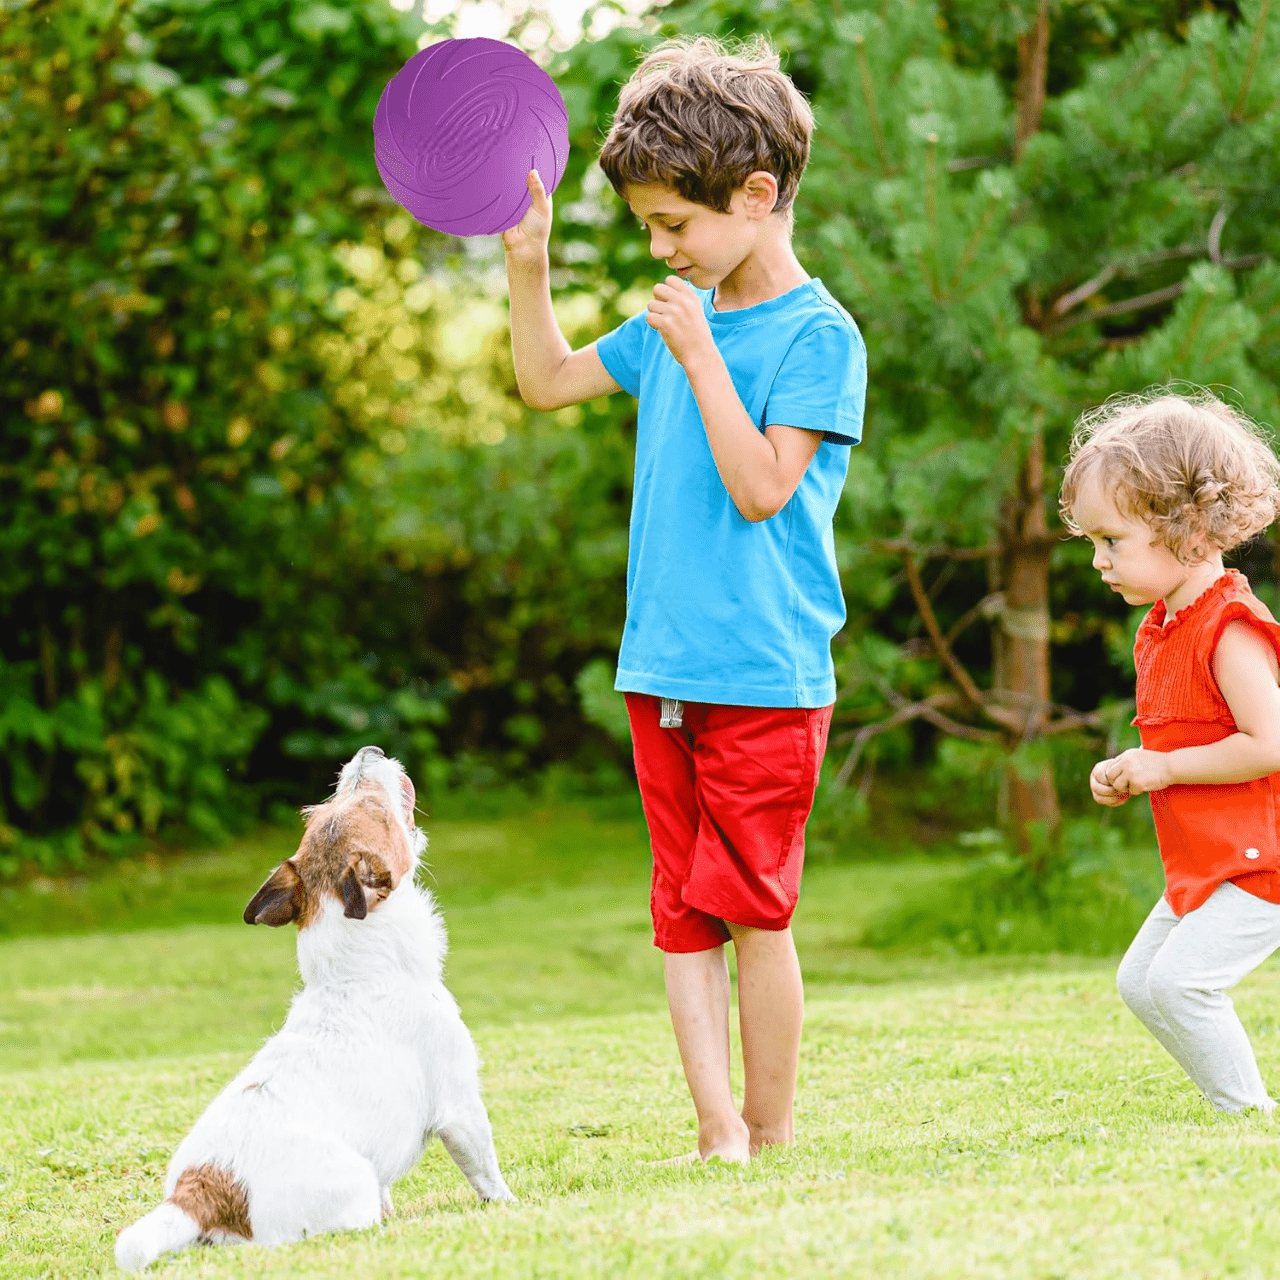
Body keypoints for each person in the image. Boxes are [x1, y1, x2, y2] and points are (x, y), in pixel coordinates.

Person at [502, 33, 866, 1161]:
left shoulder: (816, 335)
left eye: (674, 224)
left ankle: (771, 1125)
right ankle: (717, 1134)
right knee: (681, 912)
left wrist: (701, 349)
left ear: (756, 196)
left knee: (755, 909)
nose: (660, 246)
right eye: (648, 226)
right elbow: (547, 380)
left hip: (763, 673)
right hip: (658, 667)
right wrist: (527, 268)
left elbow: (762, 486)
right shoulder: (673, 316)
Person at [1060, 389, 1280, 1113]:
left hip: (1262, 862)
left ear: (1187, 529)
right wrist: (1131, 768)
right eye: (1092, 542)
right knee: (1141, 981)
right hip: (1209, 860)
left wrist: (1165, 768)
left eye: (1111, 541)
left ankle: (1247, 1115)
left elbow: (1269, 743)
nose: (1098, 560)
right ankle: (1237, 1105)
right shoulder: (1162, 625)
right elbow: (1178, 737)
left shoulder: (1231, 627)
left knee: (1181, 982)